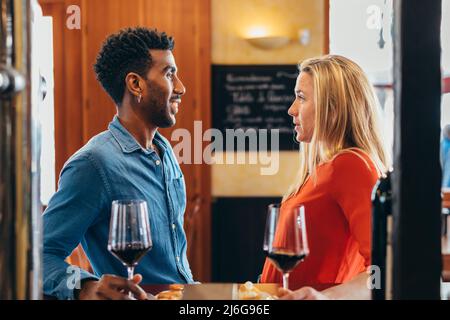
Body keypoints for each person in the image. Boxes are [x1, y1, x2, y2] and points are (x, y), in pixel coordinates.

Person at [43, 27, 194, 300]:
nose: (181, 88)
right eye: (169, 74)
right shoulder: (93, 164)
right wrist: (86, 287)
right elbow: (41, 255)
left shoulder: (164, 150)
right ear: (136, 84)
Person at [261, 55, 390, 300]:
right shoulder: (323, 167)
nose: (292, 109)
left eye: (301, 97)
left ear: (333, 107)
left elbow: (382, 269)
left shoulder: (351, 165)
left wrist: (326, 298)